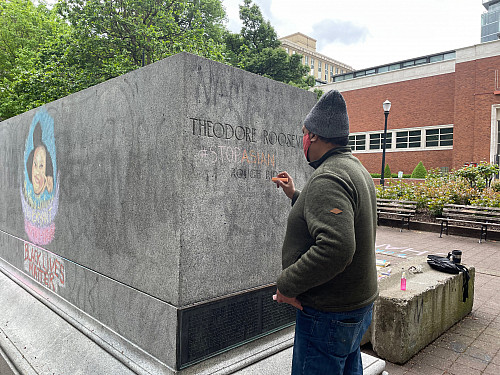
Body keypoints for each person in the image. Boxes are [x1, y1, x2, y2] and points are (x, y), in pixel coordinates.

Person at [273, 90, 378, 375]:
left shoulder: (328, 177)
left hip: (328, 313)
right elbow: (338, 214)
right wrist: (296, 195)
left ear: (315, 136)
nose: (303, 139)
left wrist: (286, 284)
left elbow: (336, 247)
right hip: (354, 307)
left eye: (304, 132)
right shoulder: (354, 169)